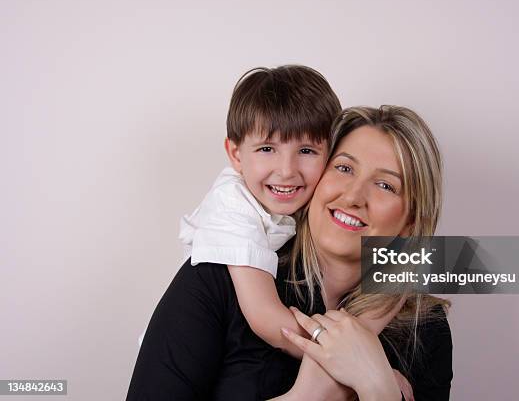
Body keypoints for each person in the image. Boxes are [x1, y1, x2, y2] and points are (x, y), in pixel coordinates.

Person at [127, 105, 452, 400]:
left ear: (412, 221)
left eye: (385, 186)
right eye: (343, 168)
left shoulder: (426, 328)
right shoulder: (220, 275)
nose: (354, 196)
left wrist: (377, 387)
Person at [178, 64, 341, 356]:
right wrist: (352, 363)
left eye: (306, 151)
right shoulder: (231, 205)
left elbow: (419, 268)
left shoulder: (315, 205)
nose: (287, 171)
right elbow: (267, 319)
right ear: (235, 155)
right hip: (189, 349)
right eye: (267, 149)